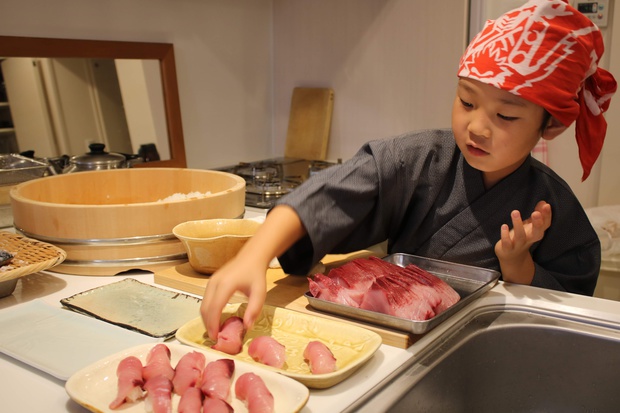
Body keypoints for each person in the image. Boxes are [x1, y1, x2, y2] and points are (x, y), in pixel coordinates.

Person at [200, 0, 617, 340]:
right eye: (467, 102)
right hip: (384, 339)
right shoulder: (420, 158)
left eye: (506, 116)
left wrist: (518, 264)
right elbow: (334, 192)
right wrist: (256, 254)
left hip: (478, 349)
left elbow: (570, 309)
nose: (476, 127)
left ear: (554, 125)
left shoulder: (553, 206)